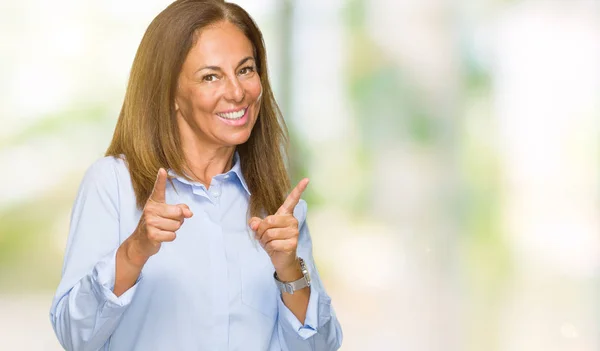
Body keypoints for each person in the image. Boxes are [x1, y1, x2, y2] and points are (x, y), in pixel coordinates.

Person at [49, 0, 343, 350]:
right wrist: (133, 252)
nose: (237, 92)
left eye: (246, 70)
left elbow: (320, 346)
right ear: (170, 92)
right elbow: (74, 336)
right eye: (210, 76)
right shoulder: (112, 184)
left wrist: (289, 270)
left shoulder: (277, 207)